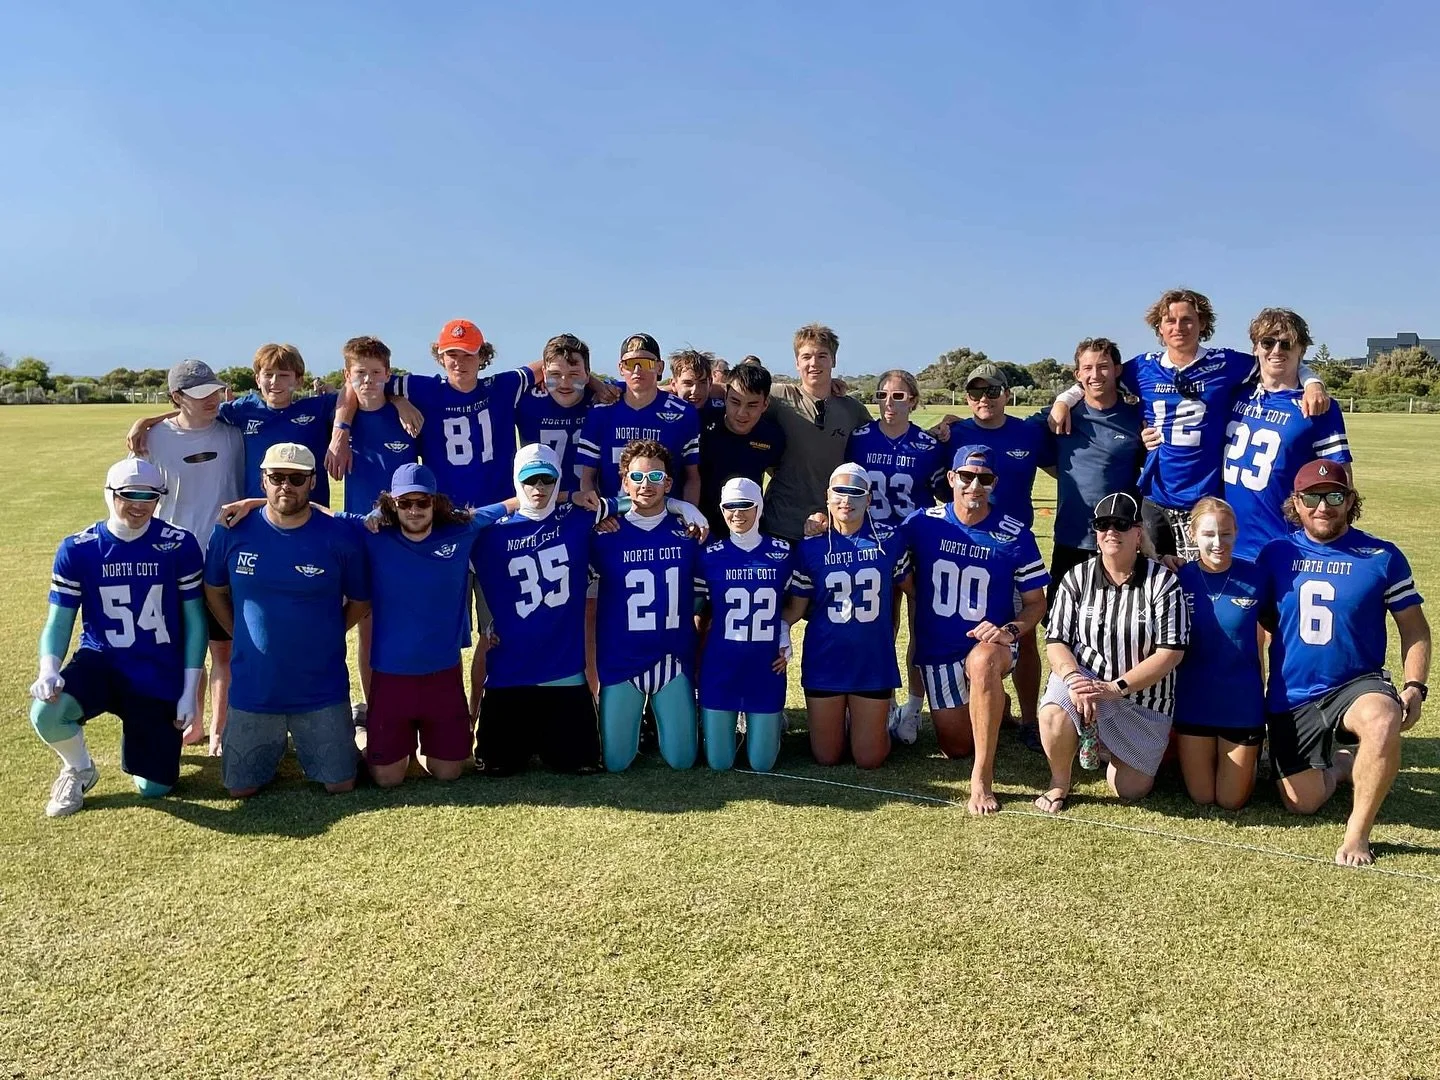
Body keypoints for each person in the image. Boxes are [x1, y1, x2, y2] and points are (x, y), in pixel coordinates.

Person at [1052, 288, 1326, 560]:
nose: (1178, 327)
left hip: (1203, 500)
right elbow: (1099, 379)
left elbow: (1275, 362)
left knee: (1201, 585)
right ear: (1159, 327)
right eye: (1170, 320)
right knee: (1154, 585)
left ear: (1202, 323)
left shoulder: (1225, 363)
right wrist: (1064, 400)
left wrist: (1312, 381)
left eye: (1187, 320)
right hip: (1154, 499)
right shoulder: (1143, 367)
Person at [1256, 460, 1430, 866]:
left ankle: (1357, 833)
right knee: (1303, 801)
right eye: (1312, 497)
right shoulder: (1275, 554)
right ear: (1295, 503)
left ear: (1350, 501)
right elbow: (1260, 624)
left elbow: (1416, 630)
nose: (1323, 506)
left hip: (1356, 683)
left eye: (1335, 496)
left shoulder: (1382, 556)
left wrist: (1414, 686)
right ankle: (1344, 765)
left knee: (1383, 716)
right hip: (1293, 693)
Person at [28, 458, 207, 816]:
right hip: (102, 661)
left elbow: (195, 621)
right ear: (109, 495)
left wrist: (189, 694)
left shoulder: (179, 545)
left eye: (150, 496)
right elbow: (59, 622)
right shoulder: (78, 548)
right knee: (47, 712)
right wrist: (48, 669)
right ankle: (78, 768)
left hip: (156, 671)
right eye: (130, 495)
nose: (140, 505)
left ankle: (143, 743)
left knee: (153, 787)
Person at [204, 443, 370, 796]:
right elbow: (214, 588)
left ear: (312, 482)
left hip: (320, 689)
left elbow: (360, 599)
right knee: (240, 790)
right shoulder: (232, 530)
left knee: (340, 783)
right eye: (276, 477)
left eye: (296, 479)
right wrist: (239, 633)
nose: (285, 486)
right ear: (262, 481)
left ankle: (350, 725)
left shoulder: (340, 536)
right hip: (254, 689)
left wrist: (331, 630)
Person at [899, 446, 1049, 813]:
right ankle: (995, 703)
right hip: (938, 650)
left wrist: (1009, 631)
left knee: (982, 664)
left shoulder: (1014, 534)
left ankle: (981, 779)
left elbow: (1036, 602)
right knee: (955, 747)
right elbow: (889, 556)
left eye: (984, 478)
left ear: (993, 483)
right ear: (951, 478)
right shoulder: (923, 522)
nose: (974, 485)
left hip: (990, 646)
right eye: (966, 476)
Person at [470, 444, 630, 775]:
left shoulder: (580, 519)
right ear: (517, 481)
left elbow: (640, 501)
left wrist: (684, 508)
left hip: (565, 674)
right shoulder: (488, 534)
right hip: (509, 674)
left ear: (557, 480)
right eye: (530, 481)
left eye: (547, 480)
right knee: (499, 766)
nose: (538, 488)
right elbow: (451, 523)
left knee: (578, 763)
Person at [1035, 492, 1190, 813]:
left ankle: (1102, 741)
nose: (1111, 532)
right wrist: (1074, 679)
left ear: (1138, 533)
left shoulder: (1162, 583)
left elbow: (1170, 653)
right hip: (1086, 682)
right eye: (1103, 524)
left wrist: (1114, 689)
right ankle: (1059, 781)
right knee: (1052, 711)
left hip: (1142, 698)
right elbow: (1056, 641)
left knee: (1129, 790)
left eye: (1121, 525)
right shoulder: (1076, 578)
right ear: (1095, 532)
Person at [937, 362, 1055, 739]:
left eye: (992, 391)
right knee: (965, 632)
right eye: (975, 392)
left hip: (1013, 550)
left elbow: (1063, 467)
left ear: (1007, 393)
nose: (983, 399)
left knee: (1023, 634)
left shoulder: (1029, 433)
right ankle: (985, 703)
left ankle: (1028, 719)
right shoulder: (954, 432)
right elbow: (934, 476)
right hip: (966, 550)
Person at [140, 359, 244, 751]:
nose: (212, 400)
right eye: (200, 395)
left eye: (215, 392)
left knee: (224, 649)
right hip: (173, 558)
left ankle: (221, 728)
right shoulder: (153, 438)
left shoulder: (233, 433)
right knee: (186, 649)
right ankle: (193, 723)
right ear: (177, 397)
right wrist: (147, 422)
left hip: (222, 556)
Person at [784, 463, 912, 769]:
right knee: (827, 757)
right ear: (827, 496)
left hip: (872, 660)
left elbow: (913, 591)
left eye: (856, 493)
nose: (846, 500)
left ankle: (880, 721)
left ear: (868, 499)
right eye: (839, 492)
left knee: (869, 759)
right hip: (825, 658)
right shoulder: (810, 547)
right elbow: (796, 610)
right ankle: (851, 721)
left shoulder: (889, 540)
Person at [589, 440, 706, 771]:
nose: (646, 485)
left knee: (682, 761)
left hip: (672, 658)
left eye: (656, 477)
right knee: (615, 762)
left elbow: (710, 591)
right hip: (621, 659)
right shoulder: (603, 532)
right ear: (624, 482)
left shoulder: (688, 532)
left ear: (669, 483)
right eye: (637, 477)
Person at [846, 368, 948, 736]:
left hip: (916, 543)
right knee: (880, 626)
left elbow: (946, 494)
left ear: (914, 401)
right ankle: (883, 701)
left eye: (899, 396)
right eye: (883, 395)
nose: (889, 403)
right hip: (873, 546)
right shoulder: (859, 439)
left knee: (920, 625)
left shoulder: (927, 445)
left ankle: (914, 709)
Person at [128, 343, 344, 505]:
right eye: (268, 375)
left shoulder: (318, 408)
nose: (275, 382)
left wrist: (340, 434)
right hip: (255, 515)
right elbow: (196, 412)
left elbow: (351, 394)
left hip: (309, 512)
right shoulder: (244, 409)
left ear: (298, 380)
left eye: (283, 375)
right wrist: (146, 421)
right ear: (257, 379)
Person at [1222, 309, 1352, 562]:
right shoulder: (1235, 392)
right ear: (1255, 347)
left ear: (1301, 350)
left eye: (1286, 343)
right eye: (1268, 342)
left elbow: (1340, 474)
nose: (1276, 351)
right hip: (1228, 543)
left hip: (1285, 545)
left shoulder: (1316, 406)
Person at [335, 335, 418, 728]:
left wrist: (400, 400)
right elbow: (343, 399)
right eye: (359, 374)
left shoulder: (405, 415)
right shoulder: (340, 418)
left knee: (403, 623)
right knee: (365, 625)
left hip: (404, 539)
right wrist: (340, 427)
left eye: (375, 372)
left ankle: (407, 701)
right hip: (360, 538)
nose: (367, 380)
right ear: (347, 376)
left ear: (388, 373)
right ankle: (373, 706)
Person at [1172, 497, 1266, 809]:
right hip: (1193, 702)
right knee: (1201, 797)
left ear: (1236, 532)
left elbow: (1277, 638)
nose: (1217, 543)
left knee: (1230, 801)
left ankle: (1258, 756)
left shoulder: (1256, 578)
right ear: (1192, 534)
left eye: (1226, 534)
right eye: (1209, 534)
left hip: (1241, 704)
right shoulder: (1176, 579)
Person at [695, 478, 795, 771]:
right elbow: (698, 610)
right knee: (719, 762)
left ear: (759, 507)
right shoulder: (709, 556)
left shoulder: (783, 553)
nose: (737, 513)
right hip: (720, 665)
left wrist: (784, 628)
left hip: (765, 666)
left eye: (745, 506)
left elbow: (797, 600)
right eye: (730, 507)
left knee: (762, 763)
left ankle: (774, 722)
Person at [1045, 339, 1145, 603]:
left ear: (1117, 370)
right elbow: (1010, 433)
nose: (1095, 375)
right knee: (1060, 622)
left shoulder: (1137, 417)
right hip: (1072, 538)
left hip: (1120, 538)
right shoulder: (1059, 416)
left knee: (1121, 625)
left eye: (1103, 366)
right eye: (1087, 368)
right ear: (1077, 375)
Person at [760, 324, 872, 544]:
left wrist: (944, 426)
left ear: (834, 361)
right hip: (782, 522)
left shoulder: (852, 409)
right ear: (797, 362)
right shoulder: (779, 398)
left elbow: (885, 436)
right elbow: (733, 389)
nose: (814, 363)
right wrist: (673, 390)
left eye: (822, 356)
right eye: (806, 356)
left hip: (833, 524)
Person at [578, 333, 702, 503]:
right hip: (615, 519)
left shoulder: (683, 413)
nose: (637, 370)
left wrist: (689, 513)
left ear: (659, 367)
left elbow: (692, 477)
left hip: (666, 518)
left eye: (645, 363)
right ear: (621, 368)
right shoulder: (600, 412)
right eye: (629, 364)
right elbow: (587, 478)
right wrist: (600, 514)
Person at [696, 360, 786, 540]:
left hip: (747, 533)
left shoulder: (773, 437)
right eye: (735, 402)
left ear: (765, 405)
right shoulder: (702, 425)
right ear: (725, 397)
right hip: (701, 529)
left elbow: (779, 478)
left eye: (752, 405)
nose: (741, 413)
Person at [516, 333, 607, 495]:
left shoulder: (604, 397)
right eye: (555, 375)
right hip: (542, 503)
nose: (565, 383)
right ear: (543, 373)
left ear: (587, 374)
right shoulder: (525, 400)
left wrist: (598, 385)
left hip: (589, 504)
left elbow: (647, 394)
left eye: (574, 375)